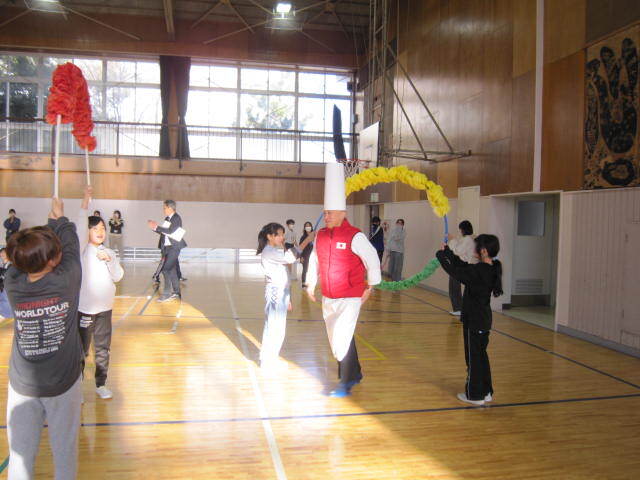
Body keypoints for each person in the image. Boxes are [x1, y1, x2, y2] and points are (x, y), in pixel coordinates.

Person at [4, 197, 83, 479]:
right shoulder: (68, 279)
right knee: (64, 454)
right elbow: (71, 245)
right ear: (52, 260)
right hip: (63, 383)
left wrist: (50, 224)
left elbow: (20, 259)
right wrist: (59, 220)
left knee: (20, 458)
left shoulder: (13, 284)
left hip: (22, 385)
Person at [306, 163, 382, 397]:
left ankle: (345, 382)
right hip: (329, 296)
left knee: (342, 337)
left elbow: (372, 258)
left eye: (330, 213)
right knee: (338, 336)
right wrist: (310, 283)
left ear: (343, 213)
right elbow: (314, 260)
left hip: (350, 296)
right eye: (325, 212)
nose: (326, 216)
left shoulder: (354, 235)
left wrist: (371, 286)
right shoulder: (320, 236)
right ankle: (355, 373)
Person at [436, 234, 503, 406]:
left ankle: (474, 395)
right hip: (482, 320)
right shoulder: (489, 267)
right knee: (481, 357)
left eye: (476, 246)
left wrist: (441, 257)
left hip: (476, 320)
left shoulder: (481, 271)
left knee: (473, 359)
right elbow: (463, 266)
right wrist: (448, 253)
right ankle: (486, 391)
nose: (473, 249)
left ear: (483, 251)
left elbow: (457, 273)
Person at [78, 187, 124, 400]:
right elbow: (80, 224)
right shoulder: (81, 251)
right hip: (85, 310)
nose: (100, 231)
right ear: (86, 232)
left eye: (103, 228)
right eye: (95, 228)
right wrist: (85, 201)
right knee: (82, 350)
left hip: (105, 310)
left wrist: (111, 260)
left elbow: (118, 276)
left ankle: (101, 384)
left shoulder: (109, 252)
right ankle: (76, 386)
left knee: (103, 349)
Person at [256, 222, 297, 370]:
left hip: (282, 293)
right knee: (274, 328)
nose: (282, 237)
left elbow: (284, 274)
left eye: (283, 235)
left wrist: (288, 297)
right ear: (270, 236)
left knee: (277, 328)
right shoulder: (269, 252)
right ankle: (268, 361)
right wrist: (307, 240)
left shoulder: (274, 251)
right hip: (275, 292)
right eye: (279, 235)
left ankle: (269, 358)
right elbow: (291, 258)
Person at [148, 200, 186, 302]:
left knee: (165, 269)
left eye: (164, 208)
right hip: (167, 248)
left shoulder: (176, 218)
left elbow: (170, 231)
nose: (163, 210)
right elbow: (163, 232)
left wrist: (157, 227)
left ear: (170, 208)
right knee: (172, 270)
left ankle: (166, 294)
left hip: (174, 247)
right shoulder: (167, 218)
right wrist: (154, 228)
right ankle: (177, 292)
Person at [447, 220, 477, 317]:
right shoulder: (466, 238)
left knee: (454, 287)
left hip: (461, 265)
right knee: (453, 287)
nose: (460, 231)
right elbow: (457, 247)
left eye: (460, 229)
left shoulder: (468, 239)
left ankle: (459, 309)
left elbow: (457, 251)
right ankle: (458, 308)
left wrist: (452, 240)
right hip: (460, 265)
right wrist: (453, 241)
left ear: (463, 229)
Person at [299, 221, 314, 287]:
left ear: (311, 227)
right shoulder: (303, 237)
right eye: (306, 226)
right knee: (305, 269)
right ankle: (303, 283)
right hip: (305, 256)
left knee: (311, 270)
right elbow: (300, 248)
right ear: (304, 228)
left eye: (309, 226)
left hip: (313, 256)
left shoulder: (314, 236)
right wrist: (301, 257)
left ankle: (310, 282)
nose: (308, 227)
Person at [0, 248, 12, 319]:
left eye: (4, 253)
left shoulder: (11, 265)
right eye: (1, 253)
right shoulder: (3, 265)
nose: (2, 254)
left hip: (7, 289)